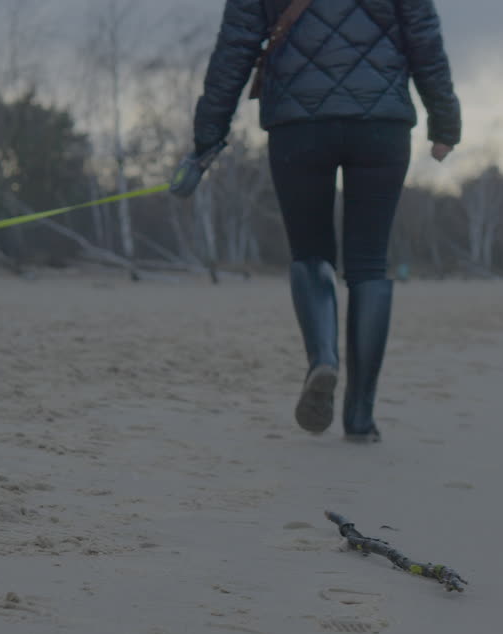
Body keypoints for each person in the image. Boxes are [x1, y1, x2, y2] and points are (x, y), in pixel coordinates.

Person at [189, 0, 462, 444]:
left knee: (310, 251)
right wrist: (445, 122)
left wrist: (208, 135)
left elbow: (234, 48)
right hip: (381, 122)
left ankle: (323, 358)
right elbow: (424, 38)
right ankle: (360, 418)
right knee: (369, 265)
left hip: (299, 121)